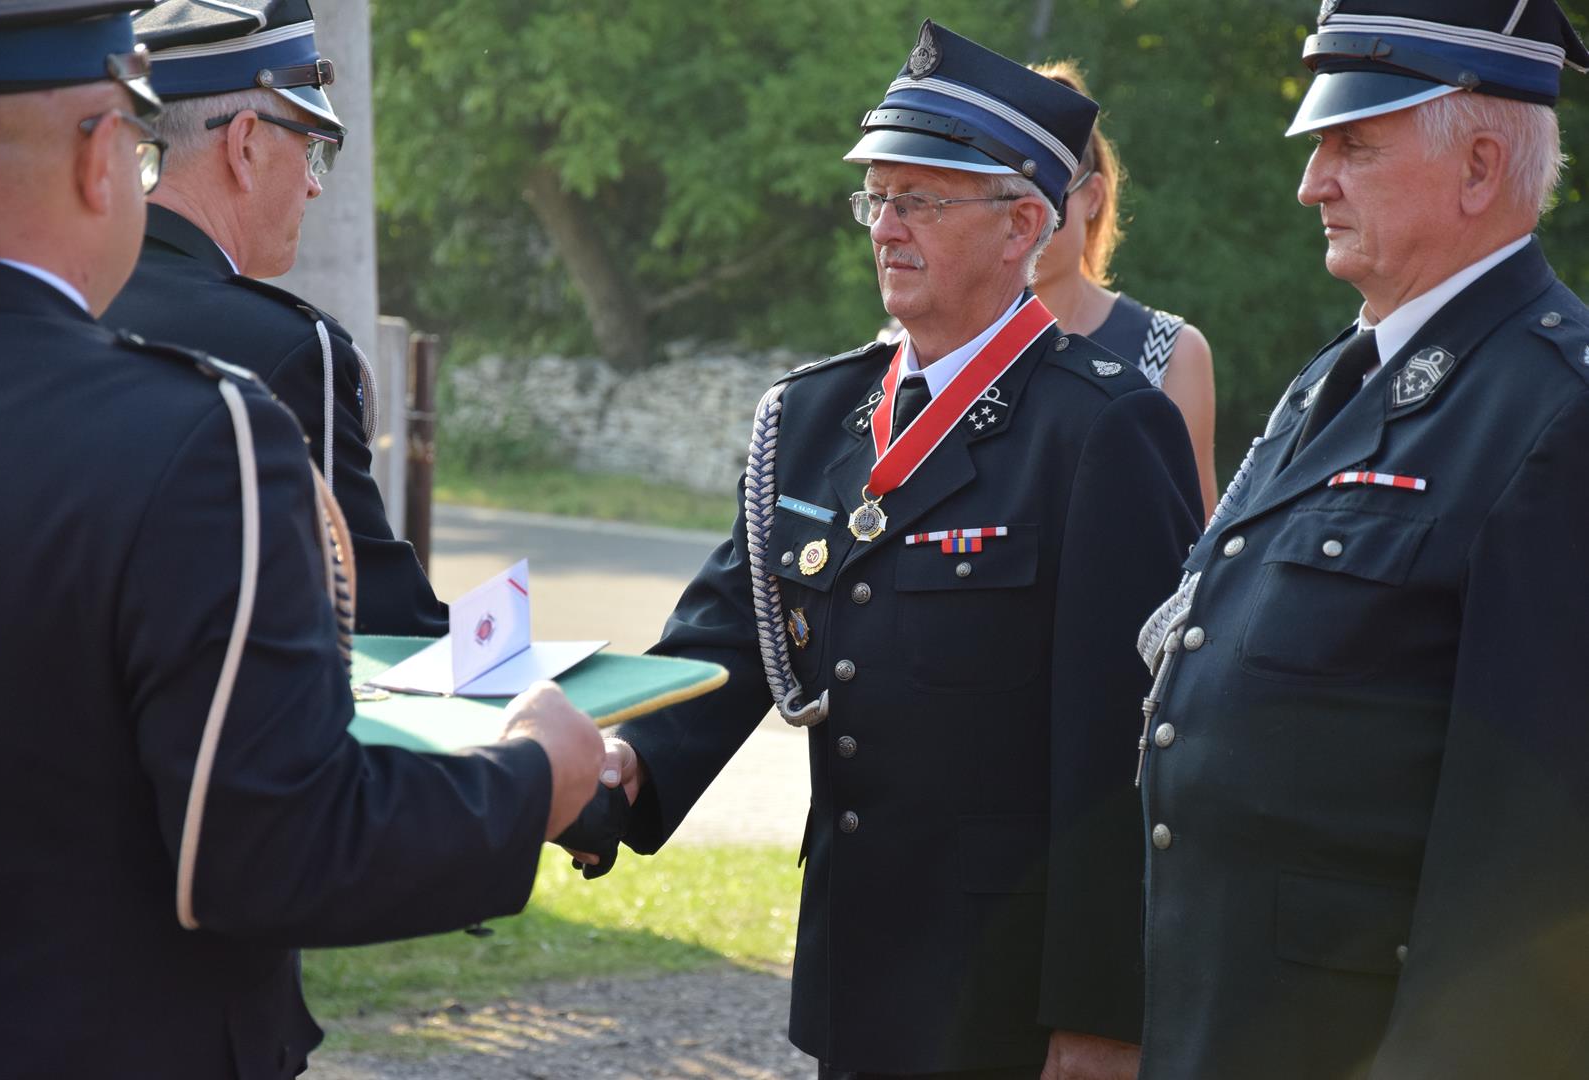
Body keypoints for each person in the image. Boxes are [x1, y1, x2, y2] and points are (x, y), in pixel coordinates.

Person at [0, 3, 603, 1075]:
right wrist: (536, 780)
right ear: (96, 159)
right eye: (131, 139)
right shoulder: (203, 430)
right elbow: (265, 842)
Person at [567, 20, 1202, 1080]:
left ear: (1022, 227)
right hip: (857, 973)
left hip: (1003, 999)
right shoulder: (817, 417)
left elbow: (1124, 756)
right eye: (879, 197)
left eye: (922, 199)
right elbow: (730, 632)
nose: (886, 227)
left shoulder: (1103, 428)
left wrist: (1103, 1015)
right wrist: (611, 765)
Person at [1134, 2, 1589, 1077]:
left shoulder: (1556, 412)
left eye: (1353, 145)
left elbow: (1535, 850)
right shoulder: (1344, 372)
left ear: (1480, 166)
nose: (1312, 182)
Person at [102, 0, 448, 636]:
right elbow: (380, 624)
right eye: (312, 149)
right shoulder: (287, 349)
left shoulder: (51, 299)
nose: (314, 185)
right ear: (246, 146)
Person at [1029, 60, 1218, 513]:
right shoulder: (938, 348)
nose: (1026, 226)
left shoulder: (1170, 353)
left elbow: (1198, 546)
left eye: (1049, 201)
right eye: (1007, 200)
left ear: (1092, 198)